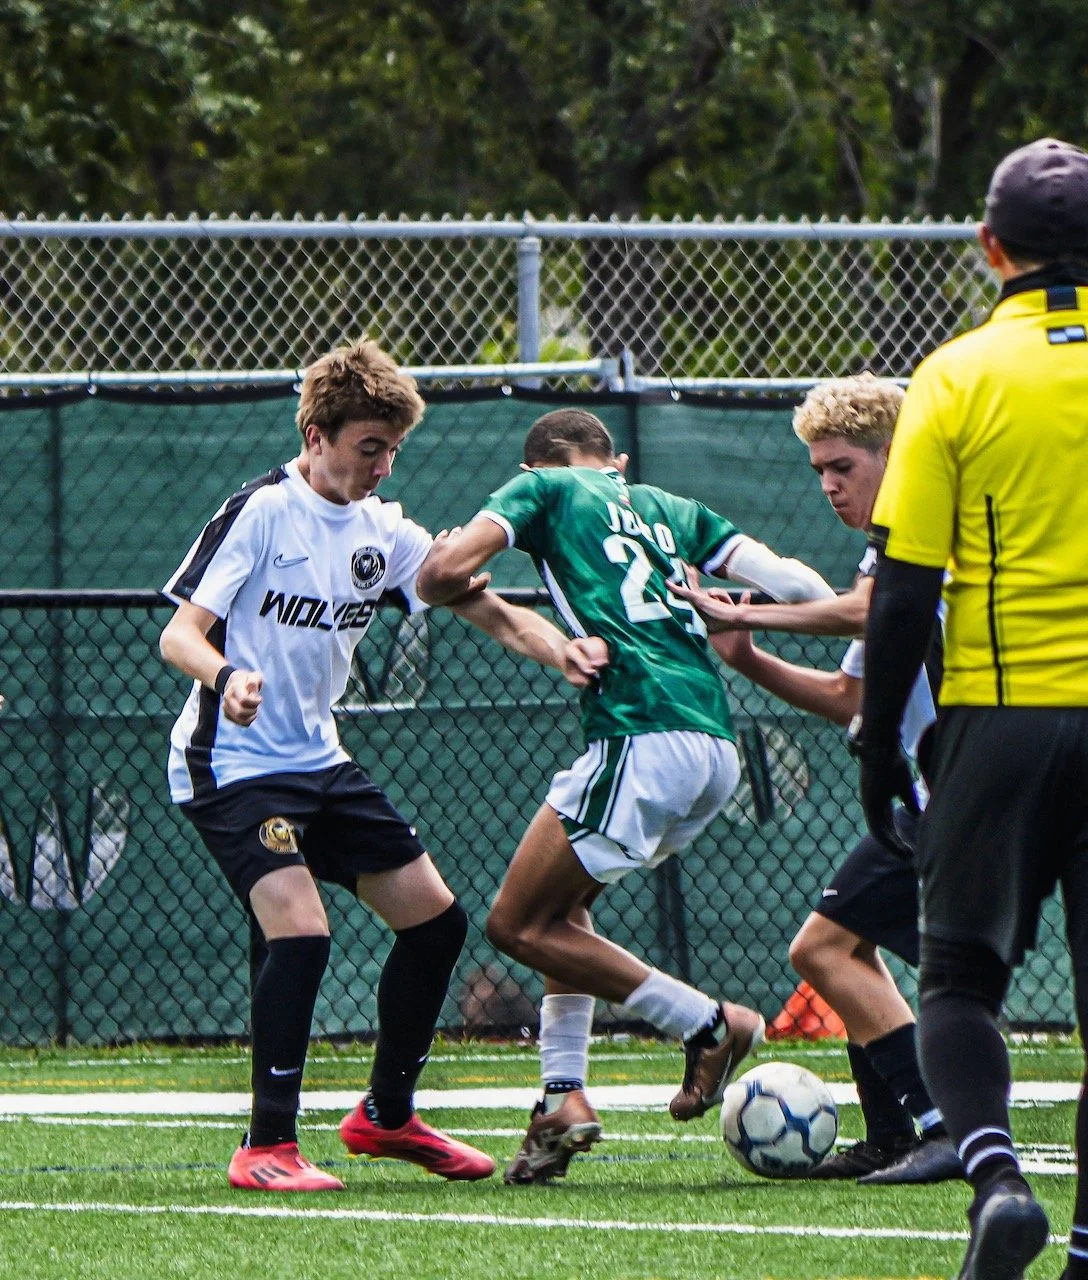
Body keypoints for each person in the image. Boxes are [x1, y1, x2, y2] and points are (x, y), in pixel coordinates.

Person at [159, 338, 605, 1192]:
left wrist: (563, 652)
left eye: (394, 448)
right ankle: (266, 1148)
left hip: (320, 762)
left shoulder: (383, 530)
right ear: (317, 434)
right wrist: (227, 674)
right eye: (370, 447)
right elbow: (180, 632)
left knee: (435, 924)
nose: (383, 464)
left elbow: (490, 610)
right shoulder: (261, 511)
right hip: (234, 763)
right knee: (301, 934)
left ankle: (385, 1116)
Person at [416, 407, 837, 1184]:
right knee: (563, 914)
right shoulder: (666, 507)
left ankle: (709, 1023)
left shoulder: (542, 491)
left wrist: (453, 568)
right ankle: (563, 1097)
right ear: (621, 458)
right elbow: (790, 579)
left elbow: (438, 576)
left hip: (639, 731)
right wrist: (832, 628)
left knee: (513, 924)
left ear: (538, 466)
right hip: (713, 743)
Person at [856, 137, 1088, 1280]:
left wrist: (874, 743)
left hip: (999, 714)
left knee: (955, 976)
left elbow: (902, 590)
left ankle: (996, 1173)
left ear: (989, 246)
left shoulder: (954, 373)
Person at [673, 374, 960, 1185]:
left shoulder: (924, 530)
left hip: (962, 791)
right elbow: (849, 699)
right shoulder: (890, 554)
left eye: (843, 467)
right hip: (929, 796)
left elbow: (866, 609)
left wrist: (745, 614)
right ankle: (897, 1134)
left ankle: (937, 1126)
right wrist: (748, 659)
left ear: (892, 457)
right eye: (818, 472)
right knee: (842, 945)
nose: (831, 485)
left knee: (826, 947)